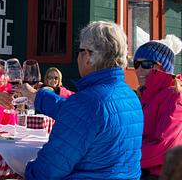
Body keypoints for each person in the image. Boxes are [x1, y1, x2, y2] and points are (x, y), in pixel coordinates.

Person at [18, 21, 143, 180]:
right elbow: (79, 116)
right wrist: (38, 96)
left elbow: (50, 169)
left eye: (79, 50)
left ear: (89, 56)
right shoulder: (129, 95)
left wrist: (25, 172)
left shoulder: (88, 102)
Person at [133, 35, 182, 179]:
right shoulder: (144, 96)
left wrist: (127, 155)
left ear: (163, 67)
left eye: (147, 64)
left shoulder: (174, 95)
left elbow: (166, 145)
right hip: (142, 171)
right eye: (136, 64)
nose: (139, 69)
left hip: (159, 174)